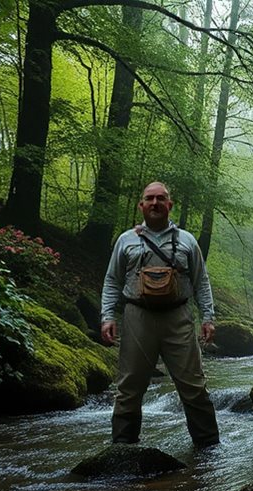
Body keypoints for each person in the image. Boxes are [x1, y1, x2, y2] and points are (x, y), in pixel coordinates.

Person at [100, 182, 220, 447]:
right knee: (129, 387)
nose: (155, 203)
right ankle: (123, 449)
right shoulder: (125, 240)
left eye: (161, 199)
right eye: (149, 199)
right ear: (141, 205)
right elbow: (112, 280)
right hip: (136, 318)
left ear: (170, 205)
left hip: (179, 318)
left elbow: (201, 281)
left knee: (193, 385)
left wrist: (208, 317)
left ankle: (209, 450)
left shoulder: (188, 241)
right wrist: (107, 316)